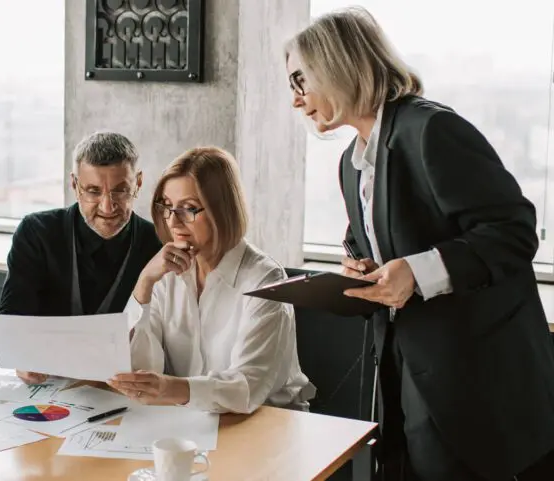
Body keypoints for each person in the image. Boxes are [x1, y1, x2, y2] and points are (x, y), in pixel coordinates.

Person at [285, 7, 554, 481]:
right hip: (405, 374)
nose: (296, 99)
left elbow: (513, 231)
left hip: (475, 383)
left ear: (337, 64)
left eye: (300, 80)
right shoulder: (352, 163)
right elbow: (372, 238)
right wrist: (358, 266)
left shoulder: (431, 129)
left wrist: (417, 271)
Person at [106, 147, 313, 413]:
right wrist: (144, 284)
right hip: (191, 421)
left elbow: (246, 386)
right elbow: (139, 371)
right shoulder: (165, 274)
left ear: (222, 209)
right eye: (167, 206)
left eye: (189, 208)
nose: (174, 221)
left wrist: (170, 389)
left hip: (266, 424)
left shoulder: (264, 279)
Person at [0, 132, 162, 384]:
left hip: (125, 392)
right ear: (74, 185)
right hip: (48, 386)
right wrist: (21, 357)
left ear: (138, 184)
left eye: (120, 191)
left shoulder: (158, 243)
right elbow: (12, 321)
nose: (108, 207)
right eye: (94, 192)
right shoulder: (36, 232)